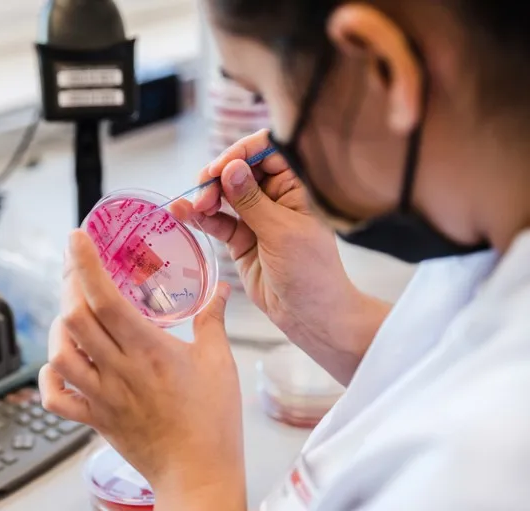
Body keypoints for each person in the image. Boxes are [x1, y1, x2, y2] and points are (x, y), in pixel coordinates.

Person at [40, 0, 530, 509]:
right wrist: (332, 323)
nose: (264, 141)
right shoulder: (492, 245)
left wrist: (190, 472)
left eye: (263, 95)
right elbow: (448, 372)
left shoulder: (493, 458)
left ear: (381, 69)